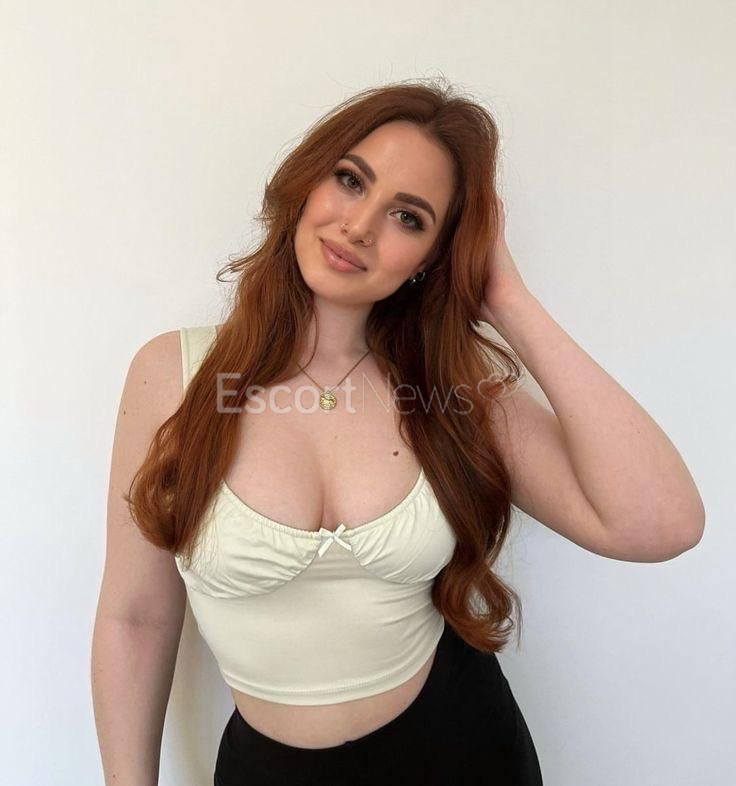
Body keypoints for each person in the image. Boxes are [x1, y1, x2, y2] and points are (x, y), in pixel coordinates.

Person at [92, 79, 704, 786]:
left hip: (466, 755)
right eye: (351, 180)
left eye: (408, 217)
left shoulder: (452, 388)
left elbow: (661, 524)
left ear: (432, 257)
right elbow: (134, 618)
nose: (359, 226)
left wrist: (506, 298)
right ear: (307, 183)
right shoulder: (174, 375)